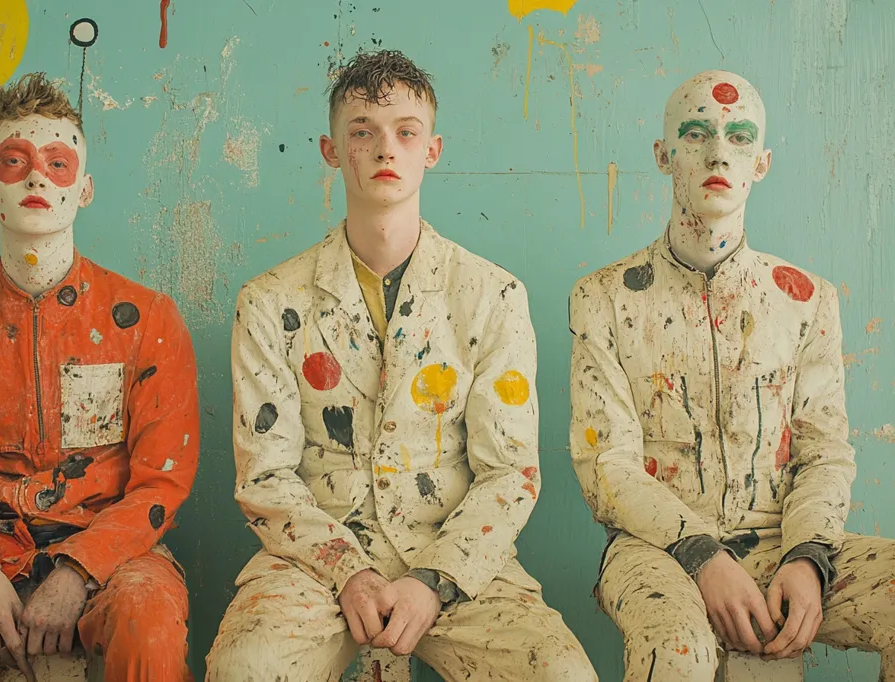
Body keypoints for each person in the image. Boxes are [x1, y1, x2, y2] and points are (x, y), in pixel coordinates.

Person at [206, 50, 596, 681]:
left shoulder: (492, 295)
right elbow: (264, 473)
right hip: (314, 557)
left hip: (457, 556)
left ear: (431, 150)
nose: (386, 147)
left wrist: (435, 578)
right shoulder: (270, 300)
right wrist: (347, 570)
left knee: (561, 673)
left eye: (405, 132)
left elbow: (511, 473)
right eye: (362, 131)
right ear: (333, 151)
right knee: (244, 667)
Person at [0, 73, 199, 682]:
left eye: (57, 162)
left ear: (87, 189)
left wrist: (80, 569)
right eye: (14, 161)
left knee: (148, 625)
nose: (37, 178)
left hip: (115, 553)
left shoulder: (146, 319)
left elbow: (163, 481)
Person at [568, 69, 895, 681]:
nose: (719, 151)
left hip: (783, 541)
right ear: (664, 156)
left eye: (739, 137)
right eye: (696, 134)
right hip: (655, 551)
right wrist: (702, 556)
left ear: (761, 162)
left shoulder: (807, 300)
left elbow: (825, 450)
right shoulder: (604, 297)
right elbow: (606, 464)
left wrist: (807, 557)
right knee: (678, 649)